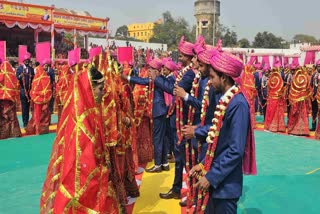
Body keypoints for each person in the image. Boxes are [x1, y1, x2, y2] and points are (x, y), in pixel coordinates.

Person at [189, 50, 257, 214]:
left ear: (224, 77)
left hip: (225, 187)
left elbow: (235, 150)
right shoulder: (226, 100)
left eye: (212, 77)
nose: (210, 82)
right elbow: (217, 141)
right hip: (217, 182)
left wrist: (211, 177)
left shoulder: (238, 104)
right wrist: (203, 164)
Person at [40, 66, 114, 213]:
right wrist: (103, 170)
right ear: (90, 89)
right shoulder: (80, 121)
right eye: (100, 88)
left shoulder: (91, 112)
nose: (103, 92)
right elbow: (83, 162)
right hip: (83, 184)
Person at [122, 58, 169, 173]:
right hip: (161, 111)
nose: (149, 72)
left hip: (159, 111)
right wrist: (128, 78)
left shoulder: (158, 80)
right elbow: (141, 81)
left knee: (157, 138)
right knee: (162, 137)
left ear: (157, 71)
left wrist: (127, 78)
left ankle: (158, 165)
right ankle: (164, 163)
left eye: (151, 69)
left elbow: (143, 81)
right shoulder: (156, 79)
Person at [25, 63, 52, 135]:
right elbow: (49, 89)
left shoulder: (36, 79)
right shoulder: (46, 78)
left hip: (37, 101)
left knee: (37, 115)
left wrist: (33, 96)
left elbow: (33, 90)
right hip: (45, 100)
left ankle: (37, 130)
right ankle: (44, 130)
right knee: (44, 114)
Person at [0, 60, 21, 139]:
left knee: (4, 116)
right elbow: (16, 85)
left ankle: (4, 133)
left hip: (3, 98)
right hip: (10, 98)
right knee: (12, 116)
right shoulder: (12, 75)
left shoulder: (3, 74)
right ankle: (14, 133)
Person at [264, 65, 286, 132]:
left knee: (272, 112)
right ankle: (278, 127)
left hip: (272, 98)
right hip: (277, 98)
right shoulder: (280, 79)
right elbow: (281, 89)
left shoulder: (271, 79)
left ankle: (272, 126)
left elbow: (269, 88)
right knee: (276, 112)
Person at [16, 53, 35, 127]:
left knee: (29, 107)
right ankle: (25, 122)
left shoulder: (31, 69)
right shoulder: (20, 68)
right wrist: (21, 75)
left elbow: (34, 79)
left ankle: (29, 121)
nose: (27, 61)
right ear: (23, 61)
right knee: (24, 107)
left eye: (28, 60)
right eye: (25, 60)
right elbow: (17, 77)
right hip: (23, 90)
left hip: (30, 91)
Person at [310, 61, 320, 131]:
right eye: (318, 66)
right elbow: (311, 84)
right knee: (314, 111)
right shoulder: (314, 75)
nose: (319, 67)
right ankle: (313, 127)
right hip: (314, 96)